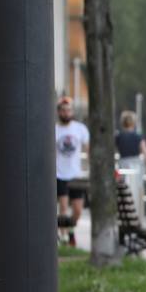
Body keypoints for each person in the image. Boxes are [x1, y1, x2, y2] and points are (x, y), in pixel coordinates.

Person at [55, 96, 90, 246]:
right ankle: (64, 237)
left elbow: (88, 149)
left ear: (72, 112)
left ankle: (70, 230)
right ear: (59, 112)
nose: (66, 113)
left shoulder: (80, 129)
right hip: (59, 174)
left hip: (76, 175)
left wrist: (90, 167)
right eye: (63, 110)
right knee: (63, 207)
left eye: (68, 110)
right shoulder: (54, 129)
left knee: (77, 210)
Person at [114, 110, 146, 211]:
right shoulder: (138, 136)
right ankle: (138, 213)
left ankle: (124, 213)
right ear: (133, 122)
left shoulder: (118, 137)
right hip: (136, 166)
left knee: (123, 191)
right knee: (138, 190)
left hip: (122, 165)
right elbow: (145, 153)